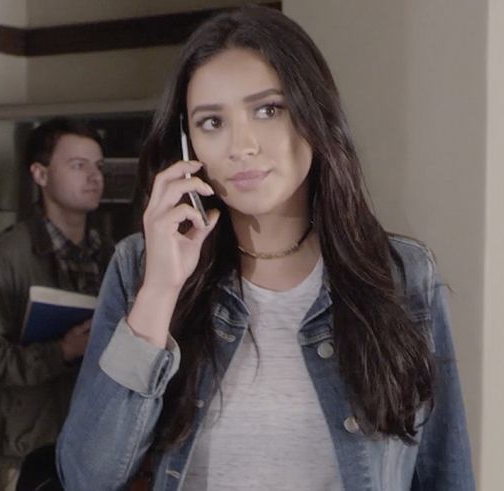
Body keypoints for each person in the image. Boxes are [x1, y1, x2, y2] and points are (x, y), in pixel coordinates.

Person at [57, 6, 474, 491]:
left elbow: (446, 472)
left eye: (268, 110)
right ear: (188, 146)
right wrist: (159, 293)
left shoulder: (402, 273)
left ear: (314, 115)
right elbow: (87, 476)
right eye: (211, 122)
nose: (242, 145)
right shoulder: (139, 269)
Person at [0, 118, 114, 491]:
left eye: (99, 166)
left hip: (92, 451)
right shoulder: (4, 257)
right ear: (40, 175)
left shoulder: (109, 255)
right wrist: (61, 351)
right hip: (24, 453)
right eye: (78, 165)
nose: (94, 177)